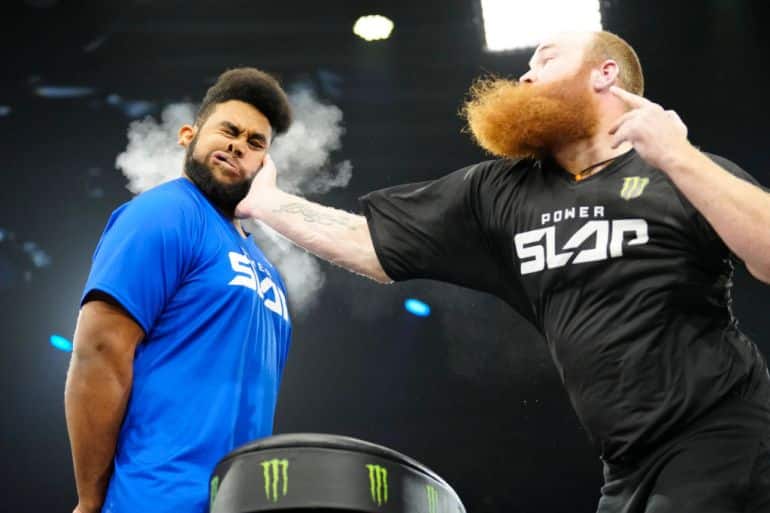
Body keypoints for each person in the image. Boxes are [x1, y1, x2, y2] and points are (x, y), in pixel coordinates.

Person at [235, 31, 770, 512]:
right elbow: (369, 244)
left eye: (547, 59)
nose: (526, 74)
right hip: (624, 466)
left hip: (721, 435)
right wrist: (268, 203)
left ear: (604, 74)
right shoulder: (503, 192)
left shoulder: (675, 169)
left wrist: (678, 157)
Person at [65, 68, 293, 513]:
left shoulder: (270, 271)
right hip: (154, 498)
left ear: (265, 167)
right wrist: (90, 501)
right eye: (228, 130)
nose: (238, 145)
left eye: (254, 143)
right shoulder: (163, 212)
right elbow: (99, 350)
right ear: (188, 135)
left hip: (239, 502)